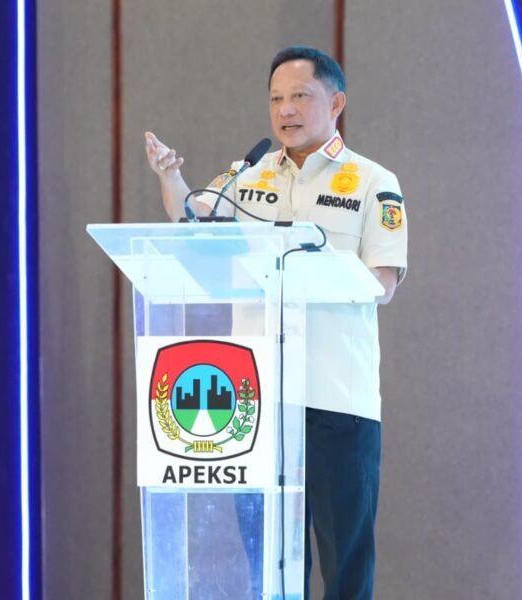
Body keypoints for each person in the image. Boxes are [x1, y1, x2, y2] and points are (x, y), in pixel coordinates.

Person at [144, 45, 408, 600]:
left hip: (337, 400)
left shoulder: (372, 182)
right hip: (258, 400)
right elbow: (194, 220)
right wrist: (171, 177)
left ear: (336, 103)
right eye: (276, 99)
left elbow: (382, 282)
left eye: (300, 96)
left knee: (345, 564)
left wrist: (305, 269)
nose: (285, 110)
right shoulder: (248, 173)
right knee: (267, 562)